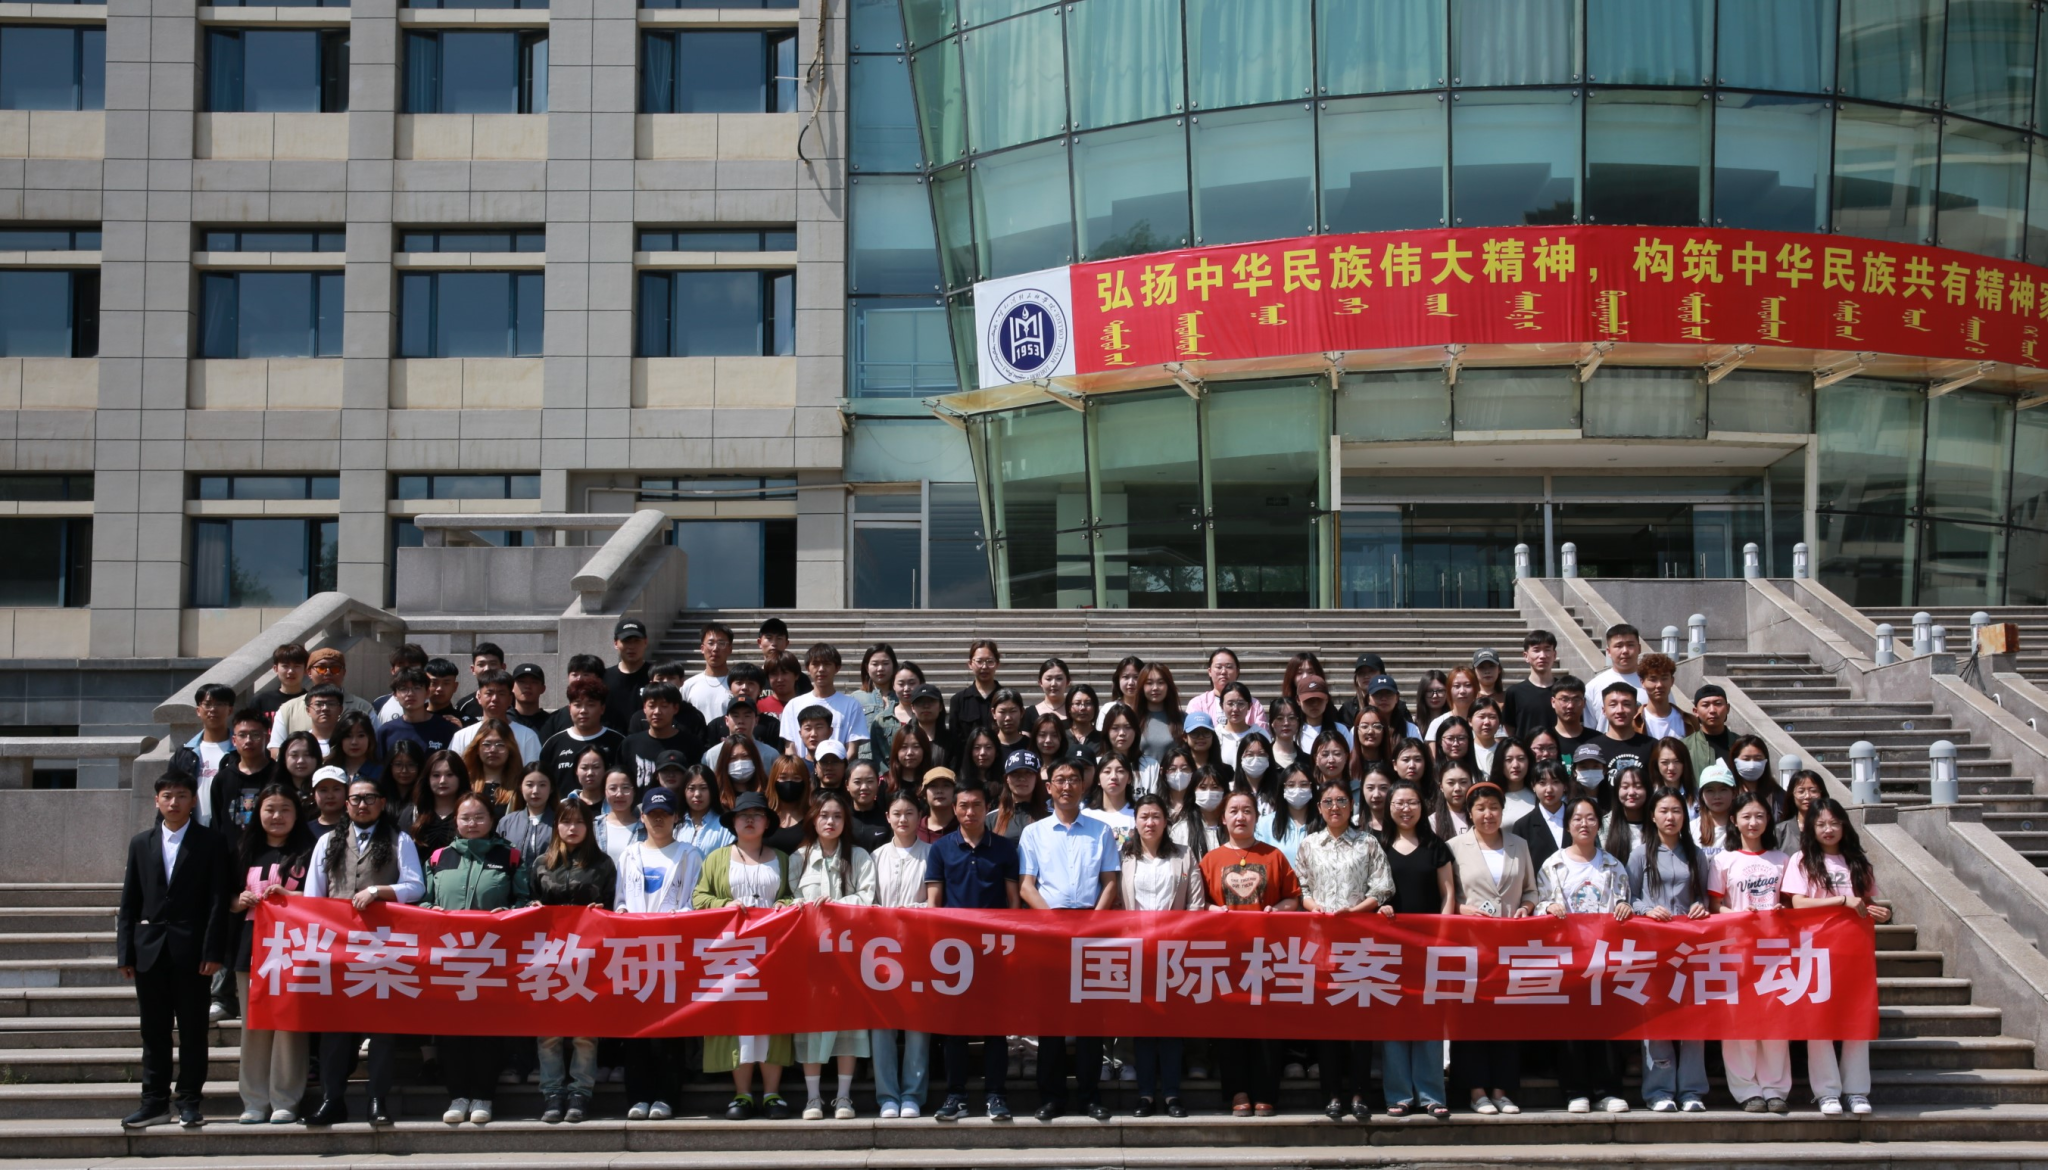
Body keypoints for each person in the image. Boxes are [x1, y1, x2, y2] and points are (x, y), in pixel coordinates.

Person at [304, 778, 425, 1127]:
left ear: (382, 802)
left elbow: (416, 887)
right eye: (355, 799)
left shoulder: (400, 839)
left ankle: (377, 1099)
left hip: (382, 946)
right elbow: (314, 897)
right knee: (335, 1030)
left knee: (382, 1029)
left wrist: (378, 891)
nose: (362, 804)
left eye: (369, 798)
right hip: (338, 947)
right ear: (346, 804)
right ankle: (332, 1099)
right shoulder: (328, 841)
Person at [119, 771, 233, 1130]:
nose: (174, 802)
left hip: (193, 952)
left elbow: (218, 901)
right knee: (153, 1031)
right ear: (157, 801)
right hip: (150, 951)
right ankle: (153, 1101)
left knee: (193, 1031)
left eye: (181, 795)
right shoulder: (141, 843)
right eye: (167, 796)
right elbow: (129, 901)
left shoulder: (211, 842)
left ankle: (189, 1100)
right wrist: (125, 953)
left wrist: (213, 951)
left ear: (193, 801)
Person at [1018, 754, 1120, 1123]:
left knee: (1090, 1021)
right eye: (1059, 780)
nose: (1066, 786)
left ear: (1083, 786)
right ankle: (1052, 1098)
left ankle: (1090, 1097)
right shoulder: (1034, 833)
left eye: (1073, 779)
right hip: (1050, 929)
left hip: (1091, 928)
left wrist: (1091, 924)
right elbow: (1027, 887)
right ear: (1048, 788)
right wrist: (1054, 925)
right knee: (1051, 1022)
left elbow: (1110, 883)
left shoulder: (1101, 831)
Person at [423, 790, 530, 1127]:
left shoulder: (510, 856)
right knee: (451, 1029)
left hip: (492, 958)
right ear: (455, 821)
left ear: (492, 820)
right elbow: (422, 900)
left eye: (479, 817)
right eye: (465, 817)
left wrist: (509, 913)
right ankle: (458, 1095)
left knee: (487, 1029)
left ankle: (484, 1095)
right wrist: (430, 910)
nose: (472, 823)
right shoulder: (439, 857)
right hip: (448, 959)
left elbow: (525, 901)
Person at [1198, 789, 1301, 1117]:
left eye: (1247, 811)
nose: (1240, 817)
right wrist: (1213, 911)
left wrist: (1277, 910)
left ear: (1257, 817)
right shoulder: (1211, 860)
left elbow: (1293, 898)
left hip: (1266, 954)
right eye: (1234, 811)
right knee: (1230, 1026)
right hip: (1225, 955)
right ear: (1223, 818)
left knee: (1267, 1025)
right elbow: (1198, 903)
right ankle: (1238, 1090)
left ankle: (1265, 1092)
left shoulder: (1274, 856)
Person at [694, 791, 796, 1120]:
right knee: (738, 1022)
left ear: (767, 822)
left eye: (757, 815)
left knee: (772, 1021)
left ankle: (772, 1094)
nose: (750, 820)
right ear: (733, 822)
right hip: (731, 954)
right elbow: (699, 898)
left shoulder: (782, 859)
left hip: (772, 953)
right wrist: (725, 905)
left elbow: (793, 895)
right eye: (743, 815)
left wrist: (782, 904)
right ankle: (742, 1094)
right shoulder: (716, 859)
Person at [1295, 779, 1392, 1122]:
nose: (1334, 807)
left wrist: (1356, 911)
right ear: (1319, 808)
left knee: (1359, 1025)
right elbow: (1301, 889)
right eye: (1328, 802)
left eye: (1341, 801)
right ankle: (1332, 1093)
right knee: (1328, 1024)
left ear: (1351, 807)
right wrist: (1315, 907)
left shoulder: (1367, 842)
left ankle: (1360, 1093)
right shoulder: (1309, 844)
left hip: (1360, 943)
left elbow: (1383, 888)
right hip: (1321, 944)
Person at [925, 781, 1021, 1122]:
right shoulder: (940, 849)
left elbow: (1013, 903)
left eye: (976, 805)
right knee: (955, 1028)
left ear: (986, 808)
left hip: (994, 950)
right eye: (963, 806)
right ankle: (956, 1096)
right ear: (954, 809)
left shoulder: (1004, 848)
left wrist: (1010, 947)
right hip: (953, 952)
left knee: (995, 1028)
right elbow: (934, 903)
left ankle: (996, 1095)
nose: (970, 812)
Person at [1786, 797, 1888, 1116]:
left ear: (1844, 826)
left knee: (1857, 1018)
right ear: (1810, 828)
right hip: (1815, 948)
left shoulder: (1856, 861)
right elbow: (1798, 904)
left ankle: (1856, 1091)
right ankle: (1827, 1091)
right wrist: (1841, 900)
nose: (1828, 829)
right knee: (1820, 1020)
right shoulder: (1802, 860)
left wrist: (1879, 911)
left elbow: (1866, 901)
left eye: (1834, 823)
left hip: (1854, 949)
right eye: (1820, 824)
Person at [1535, 792, 1634, 1114]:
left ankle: (1608, 1090)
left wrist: (1625, 907)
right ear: (1567, 825)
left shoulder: (1612, 865)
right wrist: (1546, 908)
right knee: (1570, 1028)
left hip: (1604, 958)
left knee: (1606, 1027)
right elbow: (1537, 903)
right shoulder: (1553, 865)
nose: (1584, 824)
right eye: (1577, 818)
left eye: (1591, 818)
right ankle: (1575, 1090)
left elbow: (1625, 901)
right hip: (1567, 959)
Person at [1447, 782, 1536, 1116]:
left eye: (1494, 808)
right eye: (1481, 808)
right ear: (1470, 813)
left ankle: (1502, 1090)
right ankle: (1476, 1091)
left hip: (1510, 947)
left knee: (1506, 1020)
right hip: (1470, 946)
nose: (1488, 814)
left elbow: (1531, 891)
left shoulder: (1519, 845)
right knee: (1470, 1019)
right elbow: (1446, 895)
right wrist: (1462, 910)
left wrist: (1526, 908)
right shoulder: (1455, 847)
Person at [790, 788, 878, 1120]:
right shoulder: (798, 858)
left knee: (848, 1026)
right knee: (810, 1025)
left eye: (838, 816)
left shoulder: (859, 857)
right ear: (813, 819)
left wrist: (836, 906)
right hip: (811, 957)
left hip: (850, 954)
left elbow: (869, 900)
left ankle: (844, 1097)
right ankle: (813, 1098)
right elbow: (787, 901)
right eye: (824, 815)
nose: (830, 821)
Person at [229, 781, 312, 1123]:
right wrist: (239, 901)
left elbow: (323, 897)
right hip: (251, 946)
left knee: (289, 1025)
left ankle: (285, 1099)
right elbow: (226, 898)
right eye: (270, 809)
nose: (277, 816)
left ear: (297, 813)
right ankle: (254, 1100)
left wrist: (291, 897)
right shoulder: (242, 850)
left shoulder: (310, 851)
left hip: (295, 947)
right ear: (257, 813)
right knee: (254, 1025)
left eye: (285, 809)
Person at [1118, 792, 1205, 1118]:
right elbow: (1117, 905)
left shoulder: (1183, 855)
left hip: (1174, 952)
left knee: (1170, 1025)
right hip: (1137, 952)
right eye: (1144, 816)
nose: (1150, 822)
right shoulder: (1124, 858)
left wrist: (1179, 941)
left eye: (1156, 816)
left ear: (1166, 821)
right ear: (1135, 822)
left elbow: (1195, 905)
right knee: (1142, 1026)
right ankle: (1145, 1095)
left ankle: (1171, 1094)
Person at [530, 796, 615, 1125]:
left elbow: (615, 906)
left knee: (584, 1031)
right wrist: (532, 908)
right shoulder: (541, 863)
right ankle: (552, 1093)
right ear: (556, 826)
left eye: (579, 822)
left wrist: (602, 912)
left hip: (588, 956)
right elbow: (528, 898)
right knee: (548, 1031)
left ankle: (580, 1093)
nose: (572, 828)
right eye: (566, 821)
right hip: (548, 956)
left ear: (589, 827)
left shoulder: (603, 864)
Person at [1629, 785, 1712, 1113]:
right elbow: (1629, 897)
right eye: (1663, 810)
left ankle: (1692, 1090)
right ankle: (1659, 1090)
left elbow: (1704, 896)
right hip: (1653, 949)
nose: (1670, 817)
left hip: (1690, 949)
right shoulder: (1640, 854)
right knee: (1656, 1018)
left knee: (1693, 1018)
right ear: (1652, 816)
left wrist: (1701, 907)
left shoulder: (1696, 854)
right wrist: (1647, 910)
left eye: (1676, 811)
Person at [1712, 791, 1794, 1113]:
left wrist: (1782, 910)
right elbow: (1714, 906)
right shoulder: (1723, 860)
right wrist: (1735, 915)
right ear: (1734, 820)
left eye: (1759, 815)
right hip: (1736, 950)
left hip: (1775, 950)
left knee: (1775, 1020)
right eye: (1746, 816)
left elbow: (1790, 902)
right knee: (1739, 1021)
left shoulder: (1781, 859)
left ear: (1768, 819)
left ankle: (1775, 1088)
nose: (1753, 822)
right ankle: (1746, 1090)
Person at [1376, 780, 1453, 1119]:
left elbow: (1448, 894)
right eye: (1399, 803)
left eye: (1412, 802)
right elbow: (1370, 891)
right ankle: (1399, 1094)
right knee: (1393, 1021)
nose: (1406, 809)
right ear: (1388, 807)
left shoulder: (1436, 845)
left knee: (1428, 1020)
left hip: (1428, 946)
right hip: (1387, 947)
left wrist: (1443, 936)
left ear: (1423, 807)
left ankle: (1431, 1094)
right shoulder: (1377, 845)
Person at [870, 788, 932, 1119]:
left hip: (919, 950)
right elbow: (869, 903)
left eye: (909, 812)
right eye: (897, 813)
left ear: (920, 817)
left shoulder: (931, 854)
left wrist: (909, 913)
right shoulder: (876, 856)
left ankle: (912, 1094)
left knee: (917, 1024)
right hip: (880, 952)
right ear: (887, 817)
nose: (903, 819)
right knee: (882, 1025)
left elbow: (936, 903)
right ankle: (887, 1095)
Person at [780, 643, 871, 762]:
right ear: (808, 668)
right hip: (802, 771)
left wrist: (836, 769)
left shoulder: (852, 705)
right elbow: (790, 747)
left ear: (837, 668)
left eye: (827, 664)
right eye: (815, 664)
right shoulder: (793, 705)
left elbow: (852, 750)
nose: (821, 669)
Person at [269, 648, 375, 748]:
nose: (328, 672)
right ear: (309, 672)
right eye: (321, 668)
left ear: (344, 672)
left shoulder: (363, 707)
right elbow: (276, 748)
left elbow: (375, 743)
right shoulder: (288, 709)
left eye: (335, 668)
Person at [537, 679, 624, 798]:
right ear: (569, 709)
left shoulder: (618, 742)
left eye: (590, 705)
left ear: (602, 709)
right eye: (577, 705)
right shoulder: (553, 744)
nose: (583, 711)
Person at [448, 671, 544, 762]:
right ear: (479, 697)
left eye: (501, 694)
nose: (495, 699)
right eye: (489, 693)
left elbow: (533, 771)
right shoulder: (462, 736)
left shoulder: (527, 736)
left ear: (510, 699)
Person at [377, 667, 465, 758]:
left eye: (417, 688)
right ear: (395, 695)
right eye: (403, 689)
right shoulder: (386, 731)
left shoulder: (448, 729)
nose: (410, 694)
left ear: (427, 692)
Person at [496, 766, 556, 887]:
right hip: (512, 889)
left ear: (551, 788)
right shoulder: (506, 822)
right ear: (520, 787)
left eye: (542, 785)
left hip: (550, 889)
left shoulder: (561, 822)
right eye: (529, 785)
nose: (535, 791)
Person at [1584, 624, 1647, 733]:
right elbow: (1589, 730)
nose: (1625, 651)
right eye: (1618, 646)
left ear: (1639, 648)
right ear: (1608, 651)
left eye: (1630, 645)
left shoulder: (1655, 685)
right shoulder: (1593, 687)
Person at [1186, 647, 1266, 731]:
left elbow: (1262, 735)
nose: (1223, 671)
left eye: (1229, 667)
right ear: (1209, 671)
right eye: (1218, 667)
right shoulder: (1198, 704)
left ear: (1237, 671)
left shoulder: (1254, 705)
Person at [1510, 760, 1571, 869]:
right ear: (1533, 786)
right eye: (1542, 783)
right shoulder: (1523, 826)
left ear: (1565, 786)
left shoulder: (1577, 818)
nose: (1549, 789)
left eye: (1555, 782)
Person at [947, 640, 1004, 755]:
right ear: (970, 664)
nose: (984, 666)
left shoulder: (1007, 698)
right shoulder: (958, 700)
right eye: (979, 661)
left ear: (997, 664)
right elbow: (954, 740)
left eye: (990, 661)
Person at [410, 749, 470, 854]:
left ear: (460, 777)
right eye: (436, 775)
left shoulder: (471, 812)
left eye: (450, 775)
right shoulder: (414, 813)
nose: (442, 781)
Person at [600, 618, 653, 733]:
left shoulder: (655, 675)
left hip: (646, 738)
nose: (631, 646)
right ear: (616, 643)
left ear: (645, 642)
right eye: (626, 641)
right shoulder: (604, 677)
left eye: (636, 641)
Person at [683, 621, 736, 725]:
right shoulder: (688, 685)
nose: (715, 649)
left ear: (730, 649)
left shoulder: (738, 685)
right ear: (702, 648)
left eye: (721, 643)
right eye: (711, 643)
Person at [1634, 653, 1691, 741]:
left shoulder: (1689, 721)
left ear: (1672, 681)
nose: (1659, 685)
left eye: (1664, 678)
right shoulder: (1634, 722)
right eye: (1653, 679)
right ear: (1642, 682)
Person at [595, 769, 645, 868]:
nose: (619, 794)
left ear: (634, 791)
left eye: (625, 788)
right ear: (604, 791)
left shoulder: (645, 829)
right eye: (613, 788)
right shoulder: (594, 826)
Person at [252, 642, 310, 727]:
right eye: (285, 666)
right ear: (275, 669)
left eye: (297, 666)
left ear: (305, 670)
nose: (291, 671)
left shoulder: (312, 700)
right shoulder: (261, 700)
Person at [1684, 683, 1734, 774]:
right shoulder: (1685, 747)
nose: (1712, 710)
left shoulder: (1741, 745)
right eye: (1705, 705)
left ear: (1727, 708)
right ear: (1696, 711)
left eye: (1718, 704)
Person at [1488, 736, 1536, 824]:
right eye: (1508, 760)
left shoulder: (1538, 795)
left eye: (1521, 758)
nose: (1515, 765)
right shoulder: (1490, 797)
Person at [1693, 761, 1736, 859]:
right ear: (1701, 795)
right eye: (1710, 791)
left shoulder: (1743, 827)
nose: (1717, 796)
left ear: (1734, 793)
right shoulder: (1692, 828)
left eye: (1723, 790)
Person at [1777, 768, 1826, 852]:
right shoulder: (1780, 830)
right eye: (1801, 791)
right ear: (1792, 795)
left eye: (1813, 791)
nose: (1807, 796)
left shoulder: (1831, 828)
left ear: (1821, 794)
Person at [507, 663, 554, 737]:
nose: (527, 686)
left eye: (534, 682)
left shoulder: (552, 723)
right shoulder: (503, 719)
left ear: (543, 689)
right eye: (522, 681)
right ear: (512, 687)